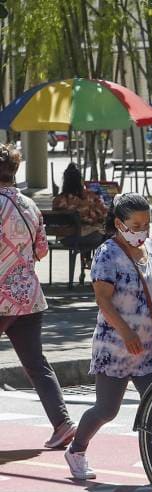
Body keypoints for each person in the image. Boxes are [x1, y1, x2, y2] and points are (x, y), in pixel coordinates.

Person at [64, 193, 152, 480]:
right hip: (116, 345)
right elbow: (103, 300)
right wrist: (125, 332)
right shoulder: (107, 253)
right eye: (137, 224)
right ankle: (77, 450)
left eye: (147, 223)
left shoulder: (150, 249)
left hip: (149, 346)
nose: (143, 230)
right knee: (107, 409)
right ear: (119, 224)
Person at [0, 143, 76, 449]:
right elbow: (41, 249)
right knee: (36, 363)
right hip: (29, 297)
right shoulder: (30, 206)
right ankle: (63, 423)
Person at [53, 163, 107, 249]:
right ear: (80, 180)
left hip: (65, 239)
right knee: (105, 235)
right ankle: (92, 260)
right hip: (86, 238)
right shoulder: (89, 197)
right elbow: (103, 215)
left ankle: (87, 259)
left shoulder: (58, 200)